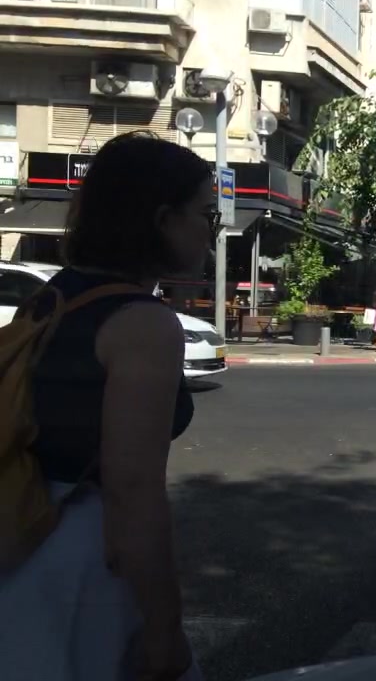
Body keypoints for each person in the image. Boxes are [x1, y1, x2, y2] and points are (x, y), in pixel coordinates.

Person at [0, 132, 213, 680]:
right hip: (81, 567)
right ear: (163, 219)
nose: (210, 231)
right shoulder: (143, 325)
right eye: (204, 214)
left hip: (21, 534)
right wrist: (164, 627)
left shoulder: (53, 296)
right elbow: (132, 491)